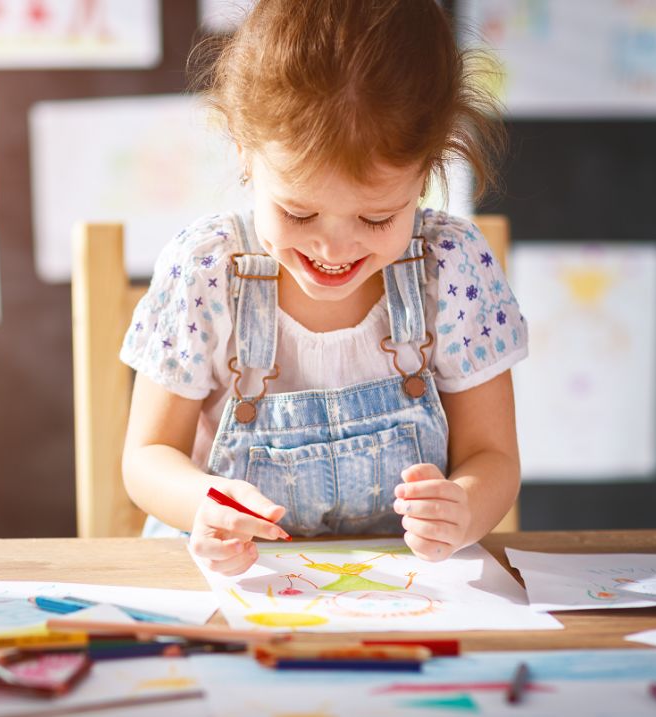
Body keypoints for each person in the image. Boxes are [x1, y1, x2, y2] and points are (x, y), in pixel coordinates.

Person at [119, 0, 521, 576]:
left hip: (401, 592)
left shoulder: (450, 268)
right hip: (229, 582)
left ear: (429, 171)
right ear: (244, 151)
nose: (333, 250)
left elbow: (494, 456)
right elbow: (148, 458)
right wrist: (206, 506)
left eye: (378, 218)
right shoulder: (206, 269)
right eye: (299, 214)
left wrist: (464, 507)